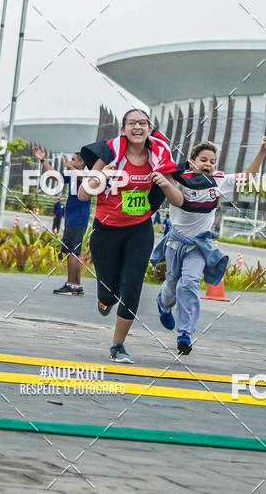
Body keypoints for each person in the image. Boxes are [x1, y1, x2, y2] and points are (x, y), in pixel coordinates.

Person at [152, 135, 266, 356]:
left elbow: (248, 177)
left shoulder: (218, 180)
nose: (208, 164)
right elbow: (172, 196)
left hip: (199, 245)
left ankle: (185, 334)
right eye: (203, 160)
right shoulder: (179, 178)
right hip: (175, 242)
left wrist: (263, 150)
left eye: (212, 161)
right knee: (171, 284)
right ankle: (163, 305)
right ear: (192, 163)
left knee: (188, 283)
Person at [79, 109, 176, 363]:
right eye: (132, 123)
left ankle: (117, 345)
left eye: (142, 123)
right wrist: (101, 176)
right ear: (123, 129)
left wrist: (165, 183)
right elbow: (82, 194)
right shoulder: (111, 155)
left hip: (139, 229)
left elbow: (178, 199)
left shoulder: (158, 158)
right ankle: (105, 299)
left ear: (149, 129)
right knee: (108, 293)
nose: (137, 127)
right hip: (106, 230)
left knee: (133, 285)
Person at [32, 147, 90, 295]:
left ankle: (71, 284)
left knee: (71, 251)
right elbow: (54, 176)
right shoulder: (72, 174)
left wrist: (69, 166)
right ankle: (76, 285)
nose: (70, 162)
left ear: (82, 163)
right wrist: (43, 160)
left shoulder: (85, 174)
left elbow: (84, 180)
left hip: (78, 218)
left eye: (74, 160)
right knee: (74, 252)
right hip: (73, 218)